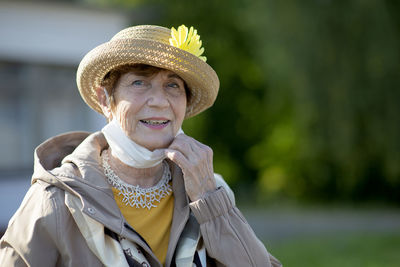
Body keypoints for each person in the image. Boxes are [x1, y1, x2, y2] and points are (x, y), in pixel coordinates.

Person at [0, 24, 282, 267]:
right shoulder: (55, 199)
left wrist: (212, 202)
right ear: (105, 100)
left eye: (173, 85)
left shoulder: (210, 190)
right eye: (139, 82)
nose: (159, 101)